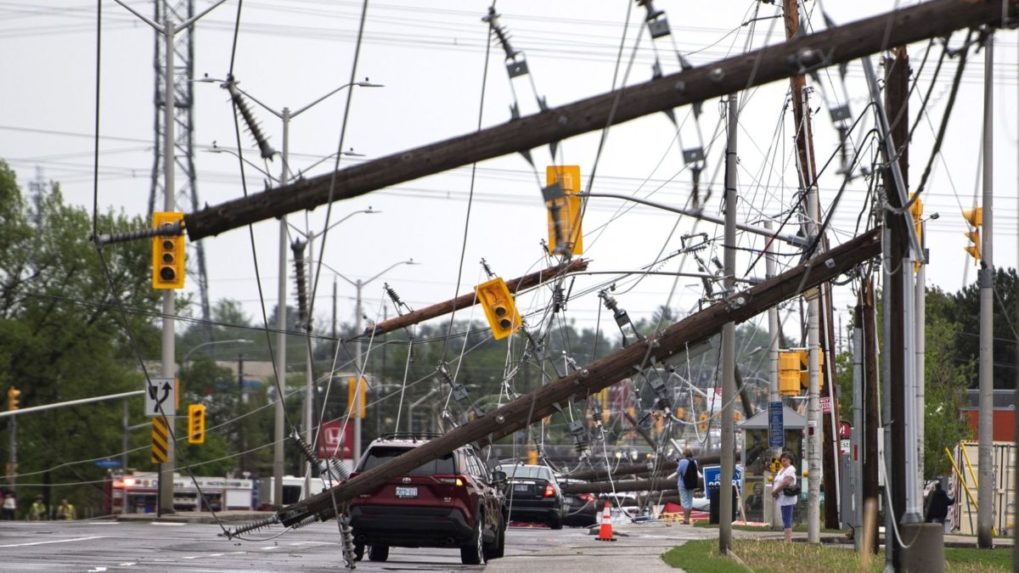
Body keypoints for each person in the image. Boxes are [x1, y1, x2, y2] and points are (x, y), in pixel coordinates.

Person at [771, 451, 798, 543]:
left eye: (785, 460)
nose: (783, 462)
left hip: (787, 498)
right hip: (781, 497)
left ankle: (788, 540)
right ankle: (787, 539)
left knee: (787, 518)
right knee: (784, 517)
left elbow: (786, 482)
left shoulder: (790, 469)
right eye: (782, 460)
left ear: (790, 460)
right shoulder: (781, 470)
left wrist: (776, 491)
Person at [676, 447, 699, 525]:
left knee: (684, 501)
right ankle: (688, 518)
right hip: (692, 484)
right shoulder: (694, 461)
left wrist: (678, 464)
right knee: (689, 501)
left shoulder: (682, 461)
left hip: (683, 484)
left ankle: (685, 520)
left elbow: (678, 471)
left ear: (684, 454)